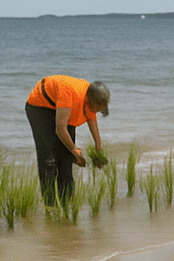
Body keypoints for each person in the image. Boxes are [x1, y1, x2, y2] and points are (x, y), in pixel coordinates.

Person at [25, 75, 110, 204]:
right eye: (96, 108)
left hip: (63, 107)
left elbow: (91, 118)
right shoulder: (70, 93)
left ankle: (67, 203)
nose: (97, 111)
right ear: (89, 101)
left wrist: (98, 146)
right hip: (41, 107)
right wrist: (75, 151)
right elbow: (60, 128)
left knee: (66, 158)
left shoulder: (92, 97)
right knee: (49, 159)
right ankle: (51, 205)